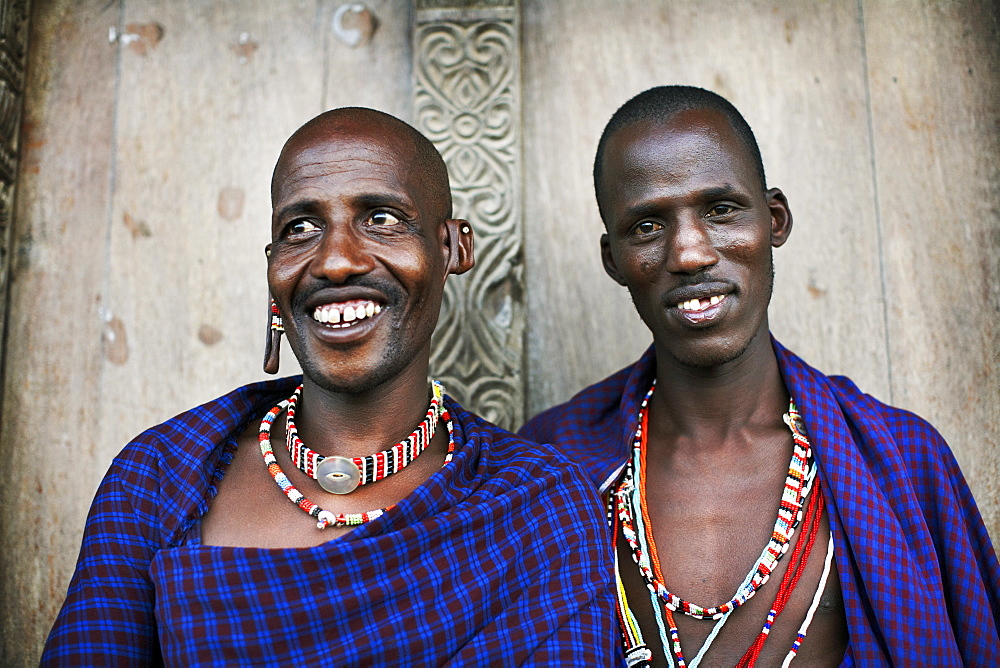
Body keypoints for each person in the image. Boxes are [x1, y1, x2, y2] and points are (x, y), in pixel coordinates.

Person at [42, 108, 617, 666]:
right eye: (301, 229)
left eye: (381, 219)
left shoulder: (539, 504)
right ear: (274, 269)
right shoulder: (160, 475)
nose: (336, 260)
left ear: (450, 249)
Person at [520, 86, 1000, 666]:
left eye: (721, 210)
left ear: (774, 220)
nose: (690, 253)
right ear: (613, 259)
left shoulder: (900, 461)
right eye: (647, 226)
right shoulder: (550, 464)